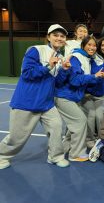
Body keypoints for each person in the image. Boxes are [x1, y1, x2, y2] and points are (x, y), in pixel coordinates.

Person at [0, 24, 70, 169]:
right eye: (55, 35)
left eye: (62, 36)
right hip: (27, 102)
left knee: (57, 127)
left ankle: (55, 156)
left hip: (46, 104)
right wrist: (47, 66)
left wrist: (64, 70)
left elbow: (56, 81)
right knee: (16, 137)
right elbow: (27, 73)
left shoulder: (60, 57)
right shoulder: (36, 50)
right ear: (48, 37)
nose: (59, 38)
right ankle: (2, 155)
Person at [55, 35, 104, 162]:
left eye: (94, 45)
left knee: (74, 127)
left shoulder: (87, 59)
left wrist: (96, 77)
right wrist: (94, 76)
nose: (92, 47)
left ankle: (62, 149)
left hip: (73, 97)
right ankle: (76, 154)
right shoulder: (76, 57)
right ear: (83, 46)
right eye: (89, 44)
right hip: (64, 96)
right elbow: (74, 80)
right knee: (81, 121)